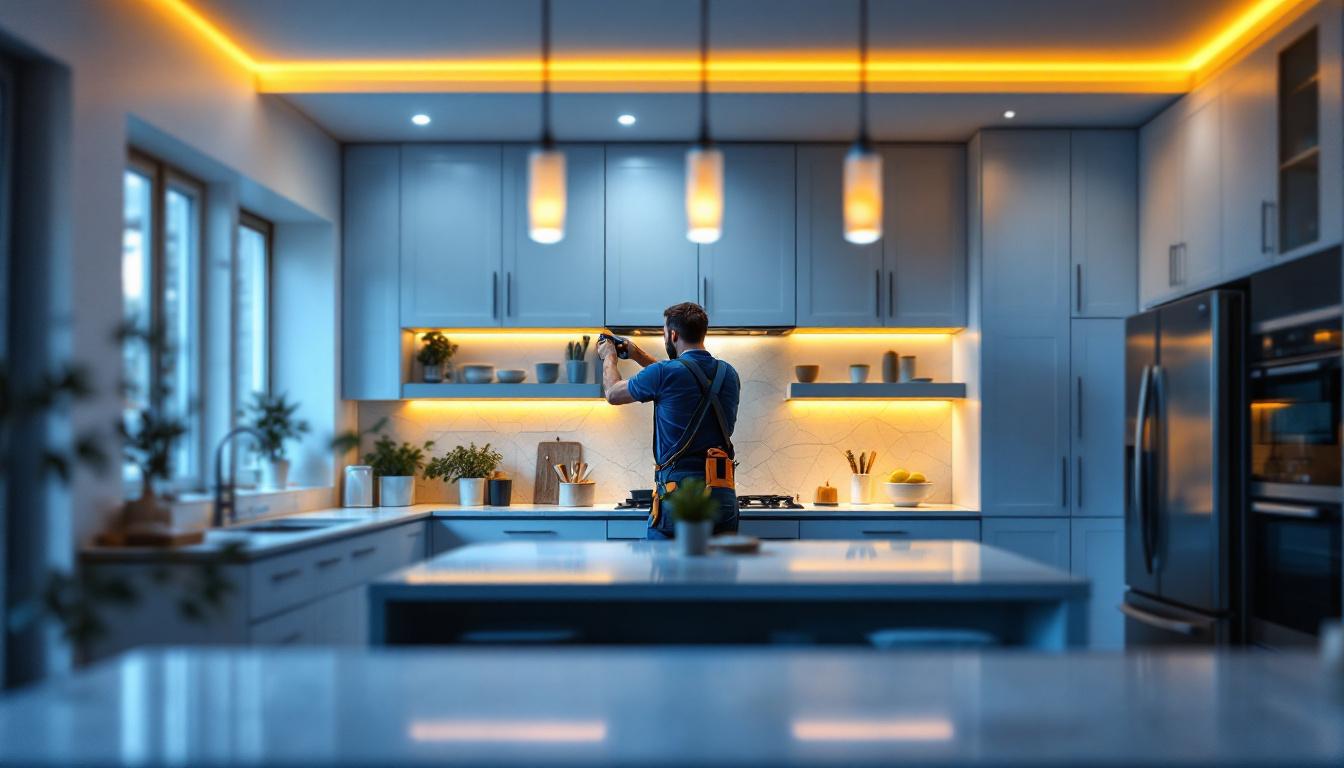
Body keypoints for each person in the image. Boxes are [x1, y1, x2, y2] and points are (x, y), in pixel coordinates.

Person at [597, 302, 740, 540]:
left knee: (667, 572)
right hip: (722, 494)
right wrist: (636, 353)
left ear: (672, 334)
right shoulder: (729, 374)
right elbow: (680, 377)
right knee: (720, 574)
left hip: (680, 495)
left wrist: (609, 357)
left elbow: (613, 393)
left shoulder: (665, 373)